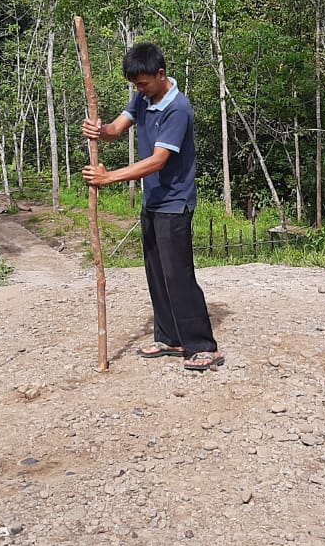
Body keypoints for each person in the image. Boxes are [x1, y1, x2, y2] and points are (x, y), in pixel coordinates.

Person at [81, 42, 223, 372]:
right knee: (156, 272)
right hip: (153, 201)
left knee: (179, 274)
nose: (139, 90)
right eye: (135, 85)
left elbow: (159, 160)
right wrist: (99, 132)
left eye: (143, 84)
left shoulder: (178, 108)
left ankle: (202, 344)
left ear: (161, 74)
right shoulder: (144, 97)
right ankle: (170, 336)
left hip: (175, 203)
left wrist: (109, 177)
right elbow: (116, 130)